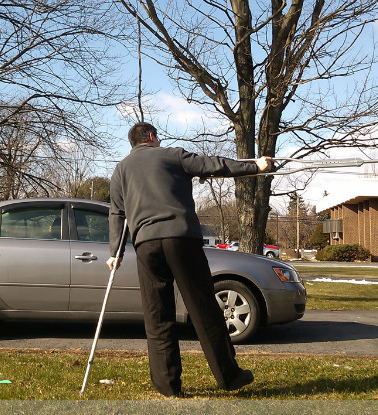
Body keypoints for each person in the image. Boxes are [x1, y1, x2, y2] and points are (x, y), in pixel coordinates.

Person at [107, 122, 273, 397]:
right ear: (151, 137)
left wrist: (116, 253)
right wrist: (256, 166)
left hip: (146, 244)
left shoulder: (121, 169)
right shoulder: (172, 155)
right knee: (203, 307)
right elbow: (214, 165)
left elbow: (116, 213)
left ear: (132, 143)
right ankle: (229, 375)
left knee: (157, 315)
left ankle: (168, 386)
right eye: (156, 137)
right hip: (181, 238)